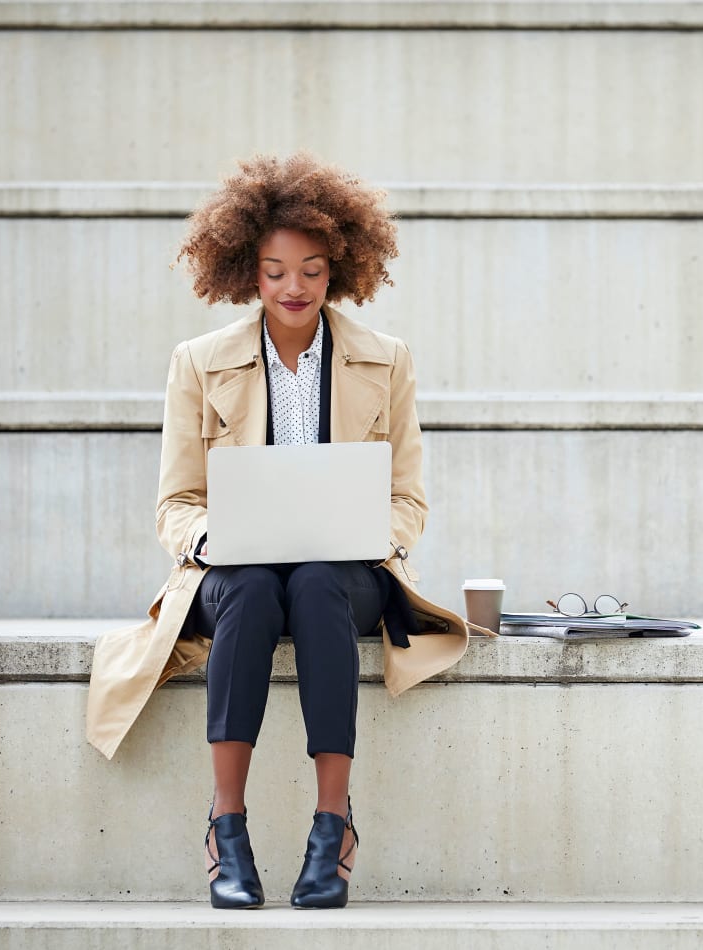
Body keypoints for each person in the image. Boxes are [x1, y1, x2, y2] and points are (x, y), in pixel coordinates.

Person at [85, 153, 479, 909]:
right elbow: (176, 503)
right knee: (255, 587)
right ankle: (225, 827)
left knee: (320, 583)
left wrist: (373, 532)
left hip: (347, 572)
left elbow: (409, 498)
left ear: (341, 269)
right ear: (245, 272)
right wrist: (214, 538)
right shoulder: (198, 364)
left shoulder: (385, 360)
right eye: (273, 272)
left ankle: (333, 825)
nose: (293, 288)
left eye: (311, 269)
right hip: (233, 573)